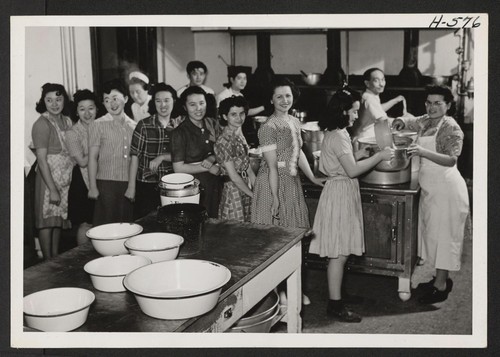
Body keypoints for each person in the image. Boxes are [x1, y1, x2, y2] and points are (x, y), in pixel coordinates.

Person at [308, 86, 393, 322]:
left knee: (341, 249)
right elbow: (352, 171)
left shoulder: (339, 132)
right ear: (342, 112)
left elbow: (345, 161)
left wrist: (362, 153)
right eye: (353, 112)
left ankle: (339, 294)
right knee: (339, 253)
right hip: (339, 193)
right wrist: (377, 156)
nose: (356, 116)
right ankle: (335, 305)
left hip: (343, 190)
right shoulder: (337, 136)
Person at [391, 85, 469, 304]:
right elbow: (413, 121)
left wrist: (423, 151)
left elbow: (452, 159)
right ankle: (440, 278)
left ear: (448, 105)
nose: (432, 107)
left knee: (444, 237)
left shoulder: (450, 128)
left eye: (438, 103)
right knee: (434, 236)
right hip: (432, 188)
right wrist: (401, 120)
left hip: (446, 188)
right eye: (429, 102)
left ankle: (441, 286)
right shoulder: (427, 120)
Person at [250, 77, 324, 306]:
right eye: (279, 96)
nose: (284, 100)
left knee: (294, 240)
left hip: (291, 183)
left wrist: (312, 177)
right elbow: (271, 166)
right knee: (273, 243)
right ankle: (277, 293)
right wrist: (274, 199)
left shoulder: (293, 121)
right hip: (272, 184)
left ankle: (294, 288)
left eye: (288, 96)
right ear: (271, 99)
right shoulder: (268, 127)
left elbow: (299, 153)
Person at [126, 83, 183, 219]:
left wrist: (162, 157)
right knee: (146, 225)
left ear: (174, 101)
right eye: (158, 101)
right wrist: (131, 187)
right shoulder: (144, 125)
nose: (162, 105)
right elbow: (134, 157)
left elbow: (185, 154)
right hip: (147, 184)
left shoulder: (180, 125)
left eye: (166, 100)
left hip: (172, 184)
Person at [31, 83, 73, 259]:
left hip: (64, 177)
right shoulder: (41, 124)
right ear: (44, 102)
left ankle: (55, 257)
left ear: (64, 100)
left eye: (58, 99)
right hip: (47, 179)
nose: (54, 104)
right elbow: (41, 159)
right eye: (49, 100)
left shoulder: (67, 121)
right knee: (47, 222)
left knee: (58, 221)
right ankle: (47, 262)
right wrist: (53, 189)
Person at [88, 79, 136, 226]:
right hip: (106, 185)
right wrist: (93, 187)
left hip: (128, 183)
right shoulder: (98, 124)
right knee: (106, 227)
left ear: (126, 99)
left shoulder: (134, 126)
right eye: (107, 100)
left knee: (127, 227)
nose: (112, 104)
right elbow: (92, 158)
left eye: (115, 98)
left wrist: (132, 186)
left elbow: (135, 158)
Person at [171, 86, 222, 218]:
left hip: (215, 185)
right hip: (193, 189)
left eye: (201, 103)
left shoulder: (212, 124)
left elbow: (223, 149)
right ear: (185, 107)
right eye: (192, 105)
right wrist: (207, 167)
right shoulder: (180, 133)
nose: (198, 108)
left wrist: (212, 157)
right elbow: (178, 168)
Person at [66, 89, 100, 245]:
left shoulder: (102, 126)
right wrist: (98, 147)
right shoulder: (72, 133)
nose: (87, 113)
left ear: (97, 109)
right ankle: (80, 258)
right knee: (86, 223)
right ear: (77, 112)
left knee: (102, 221)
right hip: (82, 181)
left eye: (91, 108)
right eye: (82, 109)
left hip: (103, 177)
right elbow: (82, 162)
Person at [214, 96, 256, 221]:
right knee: (235, 229)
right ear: (225, 116)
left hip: (245, 185)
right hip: (233, 189)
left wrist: (257, 186)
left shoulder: (239, 134)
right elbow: (233, 176)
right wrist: (253, 194)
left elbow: (247, 165)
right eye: (233, 114)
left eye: (242, 113)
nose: (239, 118)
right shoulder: (223, 141)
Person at [352, 67, 410, 142]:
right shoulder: (370, 99)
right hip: (365, 140)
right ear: (367, 83)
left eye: (383, 80)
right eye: (376, 81)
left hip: (363, 137)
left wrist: (395, 100)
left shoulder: (369, 95)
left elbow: (378, 109)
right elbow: (383, 120)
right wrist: (406, 120)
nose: (381, 84)